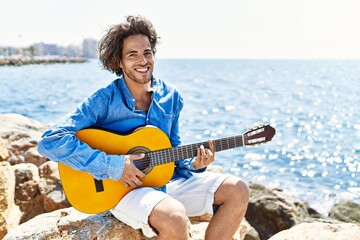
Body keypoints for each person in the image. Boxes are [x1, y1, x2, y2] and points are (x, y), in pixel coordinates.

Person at [38, 15, 249, 240]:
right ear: (118, 61)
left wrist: (194, 163)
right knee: (175, 216)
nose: (143, 60)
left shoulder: (171, 96)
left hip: (166, 184)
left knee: (238, 189)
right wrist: (115, 166)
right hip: (122, 190)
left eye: (147, 52)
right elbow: (50, 140)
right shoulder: (104, 100)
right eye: (133, 54)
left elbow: (172, 147)